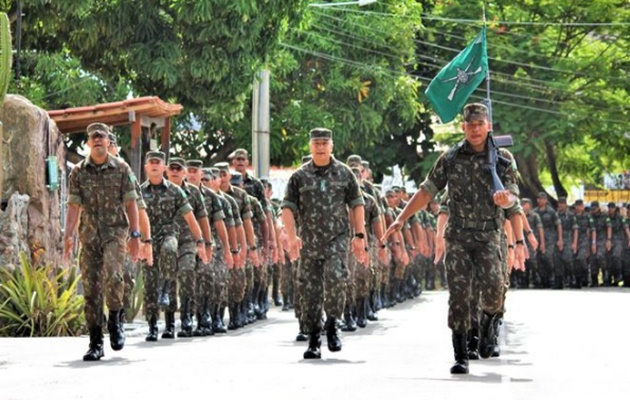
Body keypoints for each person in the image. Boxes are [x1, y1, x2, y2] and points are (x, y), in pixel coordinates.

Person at [382, 103, 525, 375]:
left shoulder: (503, 158)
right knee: (459, 296)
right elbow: (427, 191)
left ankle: (489, 323)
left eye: (479, 124)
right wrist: (402, 218)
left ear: (488, 126)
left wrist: (507, 198)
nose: (474, 130)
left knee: (495, 290)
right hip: (458, 236)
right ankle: (461, 355)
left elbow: (514, 194)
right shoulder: (450, 158)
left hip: (489, 236)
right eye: (469, 125)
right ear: (463, 127)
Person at [282, 127, 367, 360]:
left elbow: (357, 204)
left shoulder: (344, 173)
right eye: (316, 143)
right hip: (309, 242)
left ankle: (332, 324)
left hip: (337, 239)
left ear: (332, 146)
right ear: (310, 146)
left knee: (336, 277)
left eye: (324, 143)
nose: (320, 147)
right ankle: (313, 339)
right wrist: (291, 237)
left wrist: (359, 236)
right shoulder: (299, 177)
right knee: (309, 291)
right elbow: (287, 208)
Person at [63, 122, 142, 361]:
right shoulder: (78, 171)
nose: (98, 139)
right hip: (89, 236)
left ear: (108, 141)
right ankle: (95, 342)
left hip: (115, 234)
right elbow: (74, 206)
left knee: (114, 275)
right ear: (88, 142)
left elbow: (131, 203)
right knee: (91, 290)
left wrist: (136, 235)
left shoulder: (121, 168)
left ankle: (116, 319)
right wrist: (68, 236)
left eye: (102, 136)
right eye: (93, 136)